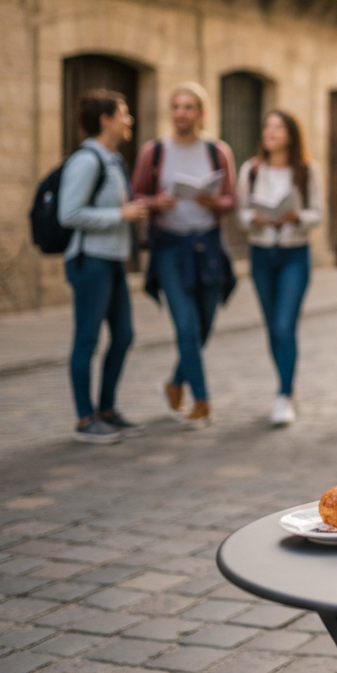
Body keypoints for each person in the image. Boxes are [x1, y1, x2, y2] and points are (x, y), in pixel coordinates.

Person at [131, 83, 236, 430]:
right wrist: (154, 203)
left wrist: (213, 202)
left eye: (189, 107)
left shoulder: (217, 151)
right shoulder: (154, 151)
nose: (181, 113)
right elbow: (137, 196)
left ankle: (176, 381)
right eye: (176, 107)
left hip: (206, 247)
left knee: (205, 323)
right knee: (185, 325)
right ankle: (202, 400)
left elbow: (231, 200)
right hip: (169, 247)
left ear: (201, 113)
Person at [58, 90, 150, 444]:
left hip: (112, 260)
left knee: (124, 335)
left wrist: (137, 207)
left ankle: (107, 411)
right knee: (87, 338)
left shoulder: (113, 160)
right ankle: (85, 419)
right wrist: (120, 214)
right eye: (123, 114)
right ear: (105, 120)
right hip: (90, 261)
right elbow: (69, 214)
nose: (129, 120)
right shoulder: (86, 160)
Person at [237, 110, 322, 426]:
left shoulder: (306, 170)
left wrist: (297, 217)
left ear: (291, 134)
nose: (270, 132)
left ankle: (284, 394)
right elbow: (241, 212)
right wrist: (254, 219)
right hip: (261, 254)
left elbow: (319, 213)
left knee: (285, 325)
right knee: (273, 327)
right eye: (267, 126)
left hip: (294, 254)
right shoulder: (252, 170)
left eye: (278, 127)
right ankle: (286, 382)